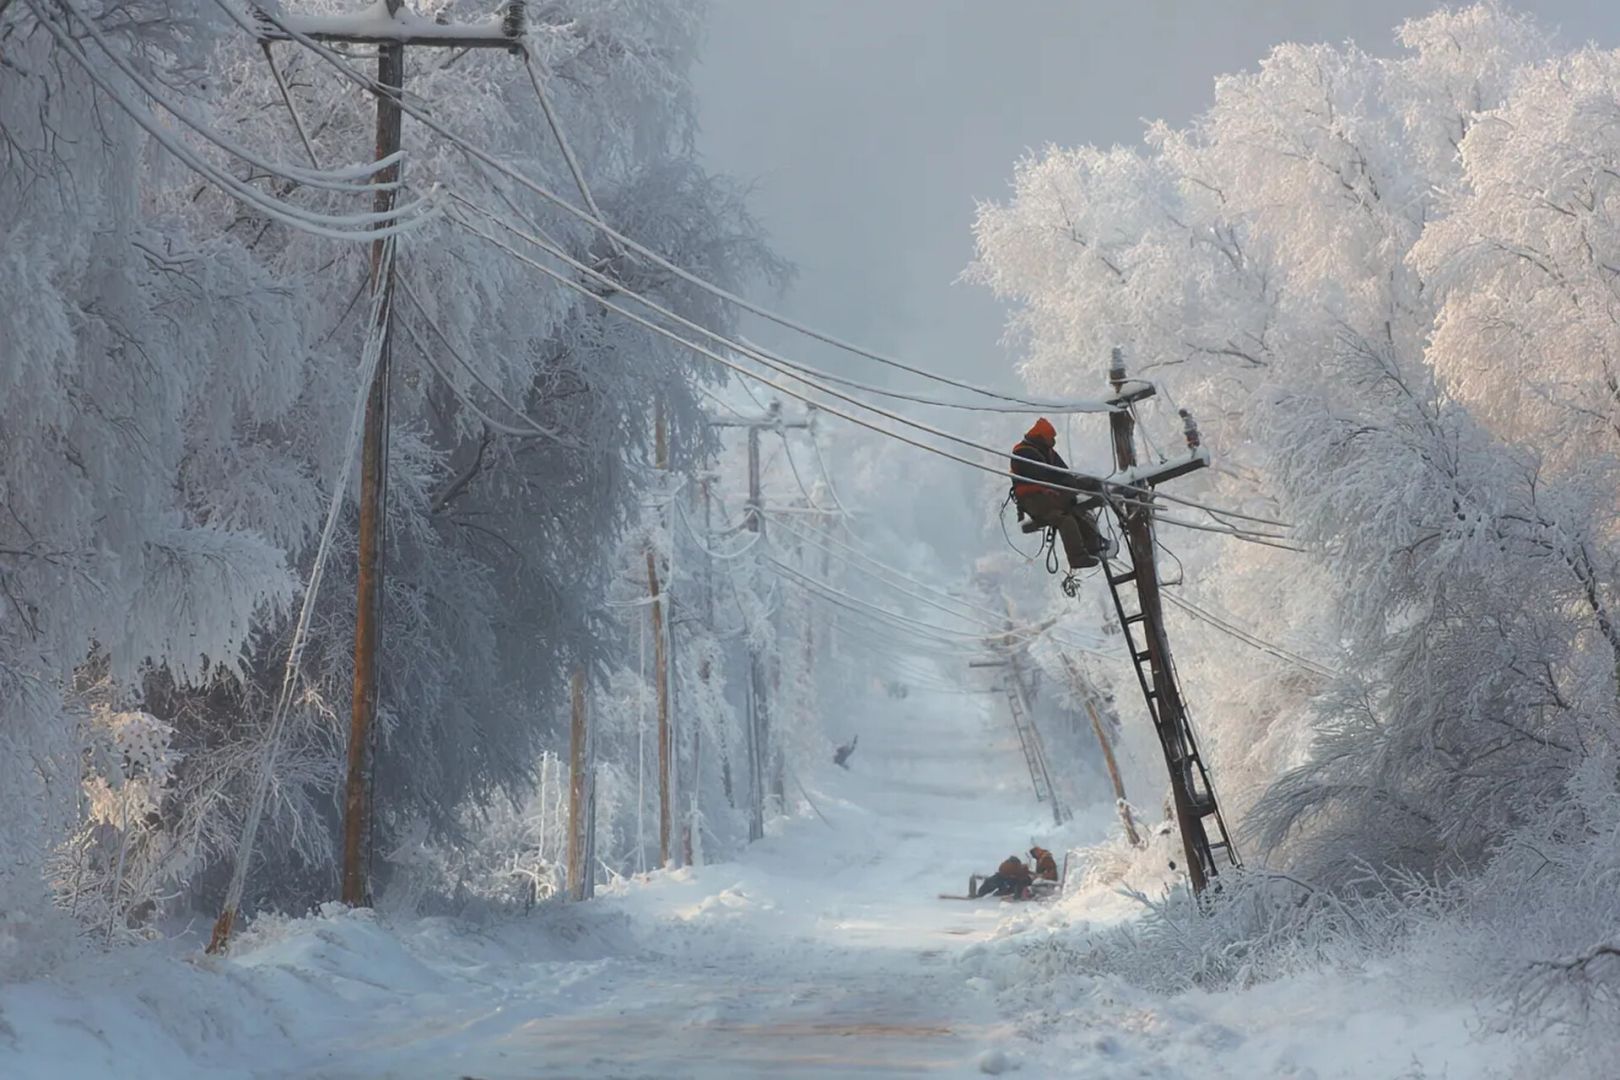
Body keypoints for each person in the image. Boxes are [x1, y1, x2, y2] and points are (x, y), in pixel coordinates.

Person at [1010, 418, 1109, 577]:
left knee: (1078, 512)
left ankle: (1093, 547)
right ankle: (1077, 558)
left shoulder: (1046, 451)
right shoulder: (1023, 452)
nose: (1053, 442)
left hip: (1049, 494)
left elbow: (1061, 473)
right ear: (1042, 437)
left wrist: (1079, 483)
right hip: (1033, 499)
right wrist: (1067, 486)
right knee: (1065, 519)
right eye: (1051, 438)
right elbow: (1043, 476)